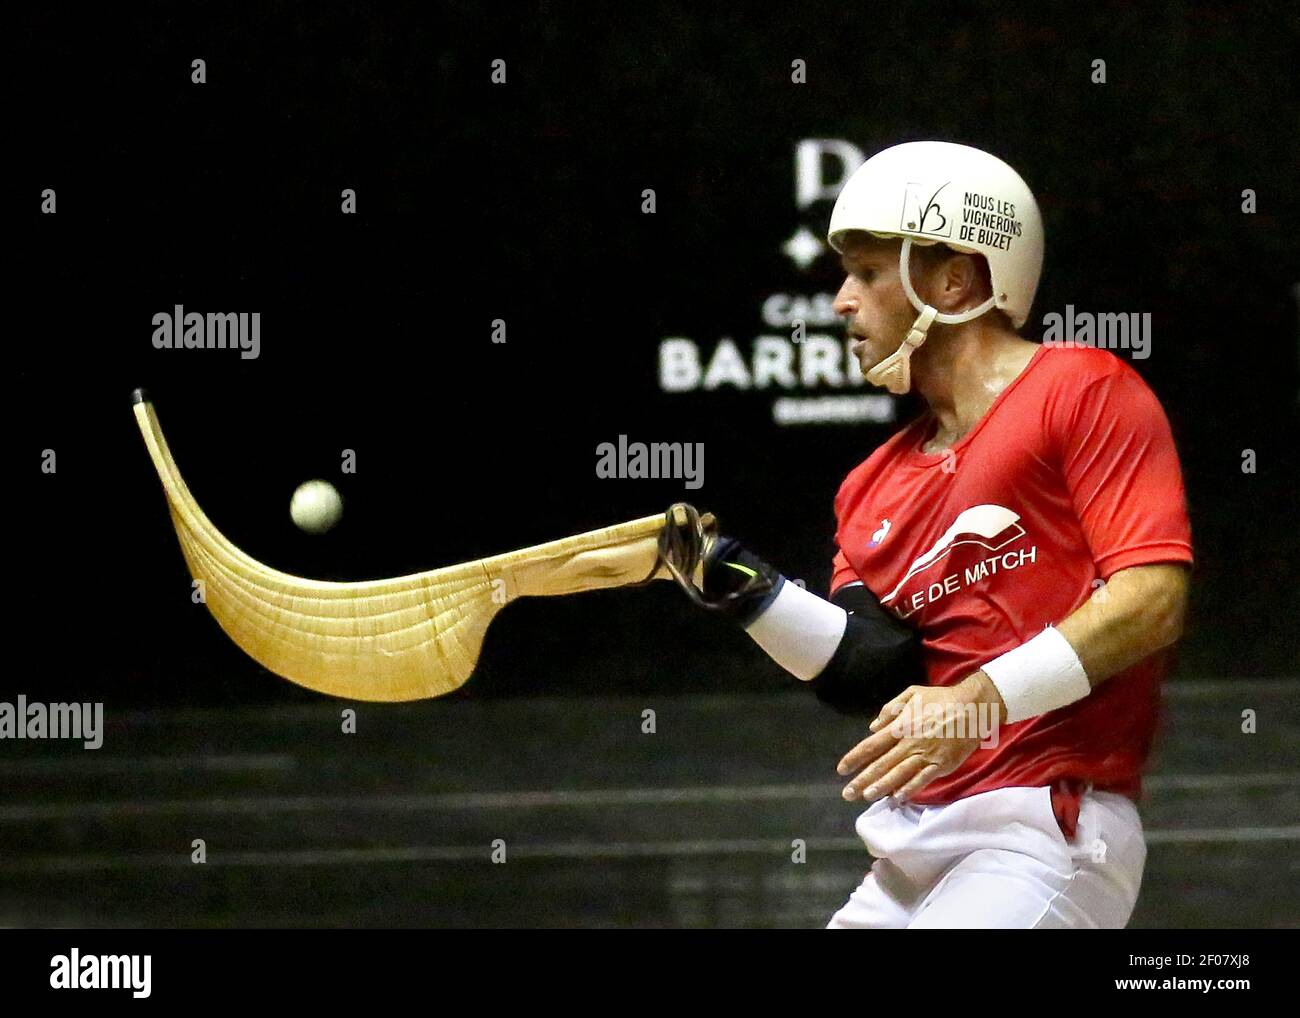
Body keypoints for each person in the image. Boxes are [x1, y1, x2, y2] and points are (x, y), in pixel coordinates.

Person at [662, 141, 1193, 928]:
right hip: (910, 849)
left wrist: (980, 699)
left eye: (869, 274)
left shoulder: (1081, 390)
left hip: (1044, 832)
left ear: (954, 279)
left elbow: (1152, 601)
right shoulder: (871, 483)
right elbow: (866, 669)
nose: (842, 301)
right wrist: (724, 577)